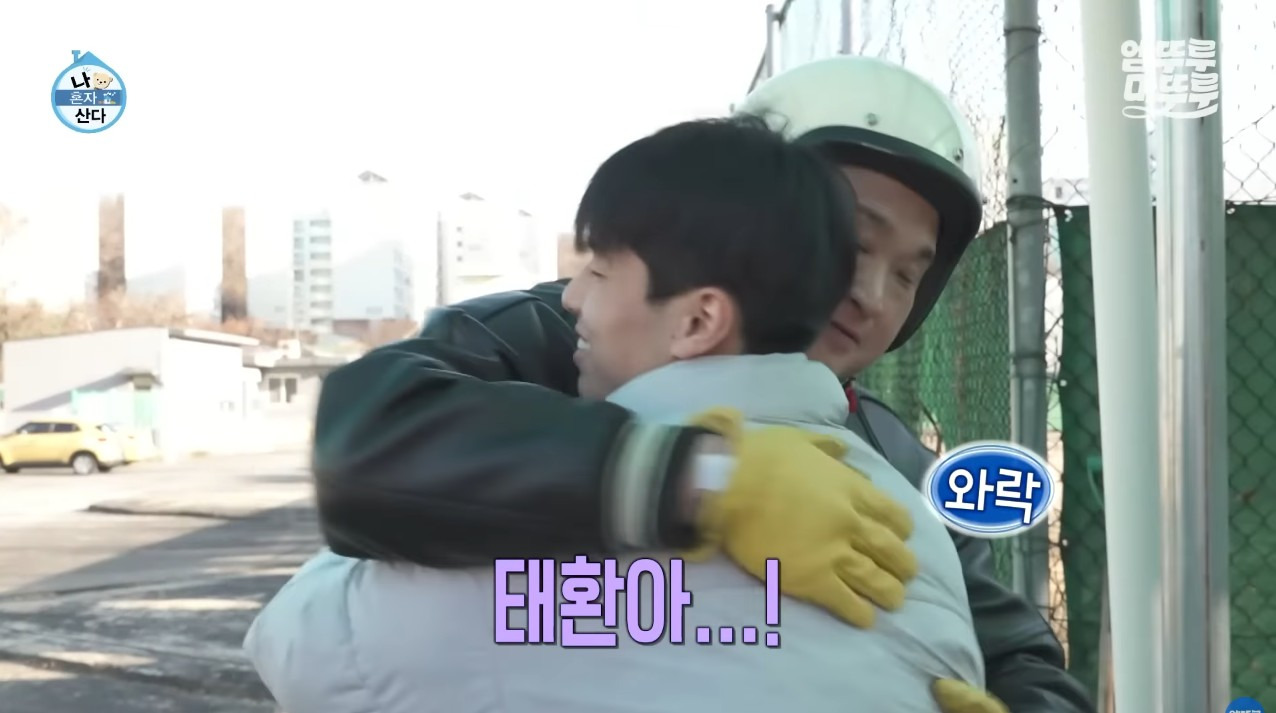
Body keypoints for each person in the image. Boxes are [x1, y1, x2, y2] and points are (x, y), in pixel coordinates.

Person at [307, 57, 1093, 713]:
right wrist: (701, 475)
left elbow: (1011, 647)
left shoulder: (892, 455)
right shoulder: (560, 341)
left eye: (909, 275)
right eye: (851, 243)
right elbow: (368, 448)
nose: (872, 296)